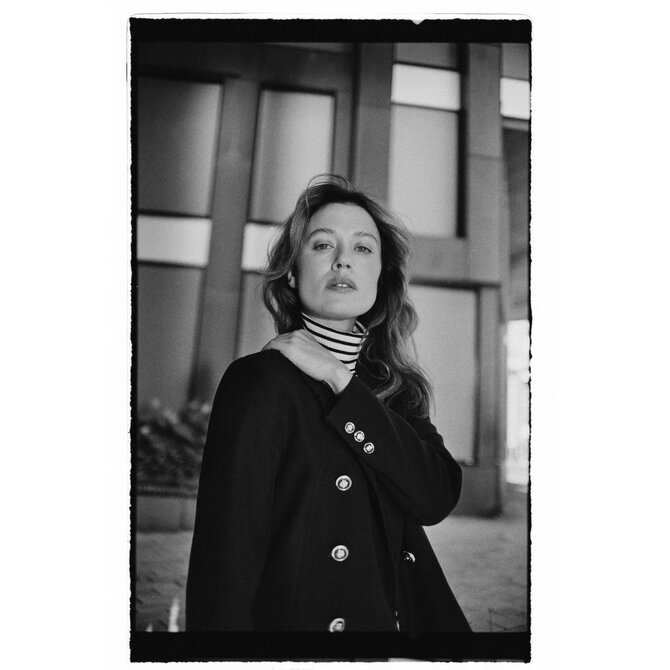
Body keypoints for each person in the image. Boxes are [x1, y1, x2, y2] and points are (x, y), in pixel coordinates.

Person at [186, 174, 470, 634]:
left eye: (363, 248)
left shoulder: (394, 386)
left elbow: (435, 498)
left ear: (381, 275)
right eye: (322, 245)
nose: (343, 260)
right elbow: (226, 559)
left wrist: (341, 379)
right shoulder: (257, 381)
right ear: (293, 272)